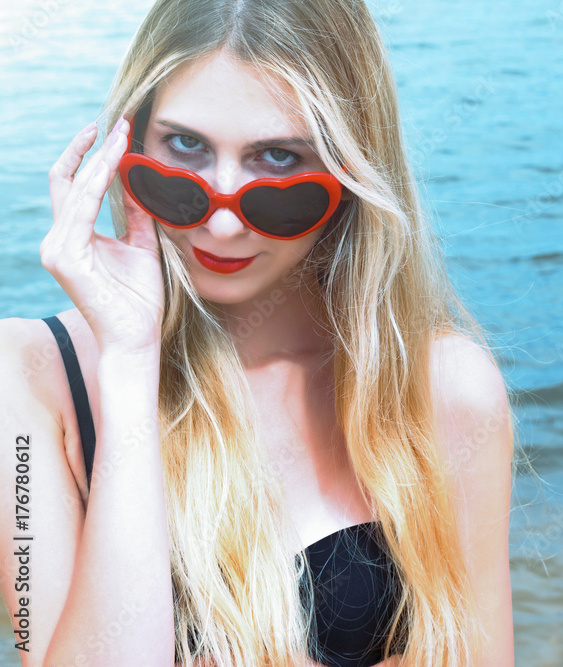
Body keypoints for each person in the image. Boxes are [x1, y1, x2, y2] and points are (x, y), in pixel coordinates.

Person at [0, 1, 518, 665]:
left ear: (351, 168)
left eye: (276, 157)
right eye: (185, 145)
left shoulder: (446, 391)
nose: (220, 222)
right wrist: (131, 362)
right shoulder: (26, 382)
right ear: (127, 139)